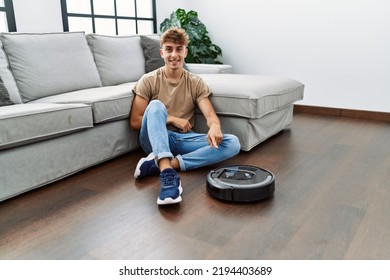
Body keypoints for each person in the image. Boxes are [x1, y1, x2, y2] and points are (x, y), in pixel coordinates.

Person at [130, 27, 240, 205]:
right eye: (169, 49)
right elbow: (135, 121)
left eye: (179, 49)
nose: (174, 54)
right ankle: (167, 175)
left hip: (182, 139)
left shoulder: (195, 82)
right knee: (156, 105)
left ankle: (163, 164)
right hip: (155, 138)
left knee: (232, 143)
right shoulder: (148, 80)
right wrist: (172, 119)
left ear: (185, 52)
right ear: (162, 53)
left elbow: (210, 115)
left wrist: (215, 126)